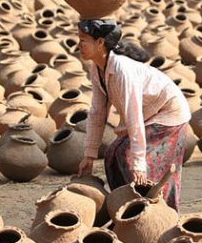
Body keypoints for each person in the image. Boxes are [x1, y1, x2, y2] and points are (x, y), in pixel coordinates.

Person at [76, 18, 191, 210]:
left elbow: (133, 116)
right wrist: (89, 155)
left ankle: (159, 212)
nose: (79, 44)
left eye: (83, 40)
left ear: (100, 43)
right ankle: (127, 206)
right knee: (112, 153)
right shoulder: (97, 69)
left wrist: (138, 164)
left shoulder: (122, 70)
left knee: (127, 155)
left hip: (168, 112)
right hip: (149, 114)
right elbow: (97, 113)